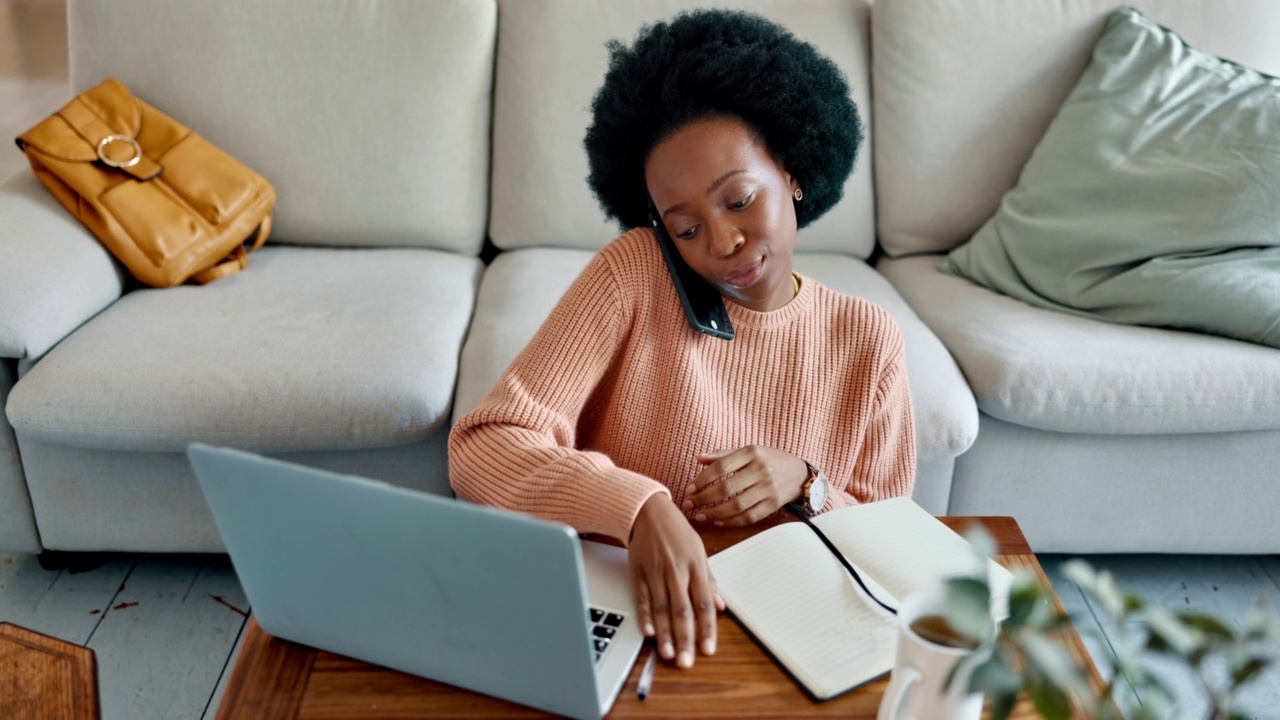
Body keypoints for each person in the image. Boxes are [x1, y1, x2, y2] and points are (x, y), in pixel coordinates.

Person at [449, 9, 915, 672]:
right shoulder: (634, 273)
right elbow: (484, 446)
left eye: (739, 199)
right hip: (632, 621)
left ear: (792, 170)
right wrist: (637, 505)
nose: (723, 244)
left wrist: (804, 483)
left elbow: (891, 548)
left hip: (793, 638)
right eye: (685, 229)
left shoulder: (868, 341)